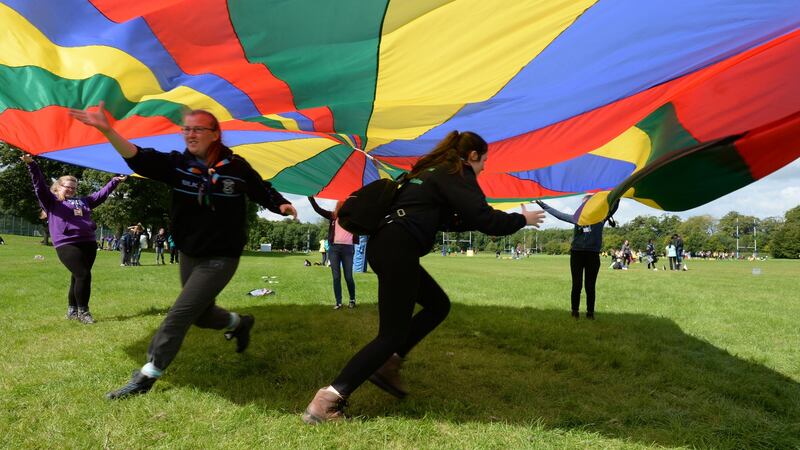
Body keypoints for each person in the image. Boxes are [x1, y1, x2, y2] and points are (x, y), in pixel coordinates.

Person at [301, 130, 545, 424]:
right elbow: (484, 219)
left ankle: (390, 363)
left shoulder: (427, 173)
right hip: (397, 247)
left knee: (438, 305)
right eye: (483, 161)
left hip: (387, 244)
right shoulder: (456, 172)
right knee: (390, 334)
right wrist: (522, 219)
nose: (483, 168)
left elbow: (449, 220)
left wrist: (485, 219)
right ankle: (327, 400)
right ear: (472, 156)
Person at [69, 102, 298, 399]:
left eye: (197, 129)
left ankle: (148, 374)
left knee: (180, 313)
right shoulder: (178, 165)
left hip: (222, 254)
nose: (190, 134)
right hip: (190, 251)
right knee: (202, 315)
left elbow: (260, 188)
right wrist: (107, 129)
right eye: (186, 129)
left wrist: (280, 204)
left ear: (215, 134)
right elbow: (139, 158)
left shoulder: (236, 167)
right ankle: (240, 323)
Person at [21, 153, 125, 323]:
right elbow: (38, 185)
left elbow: (101, 195)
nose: (71, 190)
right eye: (68, 186)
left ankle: (72, 310)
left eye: (74, 187)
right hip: (67, 244)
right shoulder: (51, 201)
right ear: (58, 187)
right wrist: (32, 164)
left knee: (77, 276)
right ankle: (84, 312)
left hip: (89, 243)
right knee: (83, 275)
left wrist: (115, 181)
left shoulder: (83, 201)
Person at [536, 195, 618, 320]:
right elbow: (558, 214)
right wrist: (542, 205)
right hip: (577, 254)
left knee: (590, 286)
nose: (584, 207)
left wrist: (618, 195)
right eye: (583, 205)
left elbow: (613, 207)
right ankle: (575, 312)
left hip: (592, 255)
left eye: (587, 204)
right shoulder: (576, 218)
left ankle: (590, 313)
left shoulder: (601, 217)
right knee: (577, 285)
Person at [308, 197, 358, 309]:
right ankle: (338, 302)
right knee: (336, 277)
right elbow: (318, 210)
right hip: (334, 249)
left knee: (348, 276)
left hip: (348, 249)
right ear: (339, 206)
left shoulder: (353, 218)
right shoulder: (333, 216)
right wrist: (311, 198)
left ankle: (352, 299)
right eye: (343, 205)